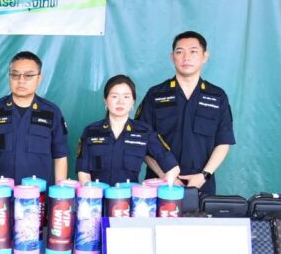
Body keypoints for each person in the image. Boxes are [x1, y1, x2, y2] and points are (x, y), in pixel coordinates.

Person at [135, 31, 235, 195]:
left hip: (201, 185)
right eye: (180, 52)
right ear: (172, 57)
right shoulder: (155, 95)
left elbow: (223, 141)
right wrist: (165, 175)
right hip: (161, 185)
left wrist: (204, 175)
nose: (186, 57)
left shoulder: (217, 96)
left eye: (193, 51)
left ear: (205, 56)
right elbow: (142, 140)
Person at [0, 51, 69, 183]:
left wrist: (59, 192)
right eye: (15, 75)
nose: (21, 80)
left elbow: (60, 157)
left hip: (39, 191)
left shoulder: (51, 112)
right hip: (0, 190)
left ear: (39, 78)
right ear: (9, 77)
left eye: (28, 76)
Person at [76, 75, 180, 186]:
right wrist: (92, 194)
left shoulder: (144, 132)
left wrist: (161, 190)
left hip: (131, 196)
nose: (120, 102)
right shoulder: (91, 132)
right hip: (98, 196)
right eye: (114, 96)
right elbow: (83, 173)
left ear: (133, 102)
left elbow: (173, 168)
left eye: (126, 97)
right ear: (105, 100)